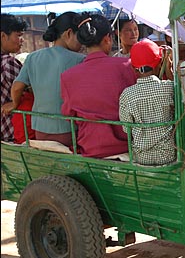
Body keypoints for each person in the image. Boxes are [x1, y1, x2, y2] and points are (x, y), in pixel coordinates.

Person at [4, 12, 86, 147]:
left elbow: (17, 87)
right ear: (69, 33)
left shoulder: (33, 57)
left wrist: (14, 103)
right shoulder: (79, 59)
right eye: (80, 37)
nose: (83, 42)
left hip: (40, 127)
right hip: (68, 128)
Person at [60, 13, 137, 158]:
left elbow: (68, 113)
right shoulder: (126, 66)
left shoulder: (67, 76)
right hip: (126, 145)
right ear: (107, 38)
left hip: (90, 147)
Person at [119, 39, 175, 166]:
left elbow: (126, 129)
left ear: (134, 69)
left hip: (141, 157)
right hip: (168, 155)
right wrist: (169, 71)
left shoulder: (127, 95)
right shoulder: (169, 87)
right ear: (161, 63)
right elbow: (182, 103)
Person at [1, 13, 28, 142]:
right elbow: (27, 92)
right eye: (18, 35)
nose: (22, 40)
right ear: (2, 36)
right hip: (9, 130)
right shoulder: (8, 63)